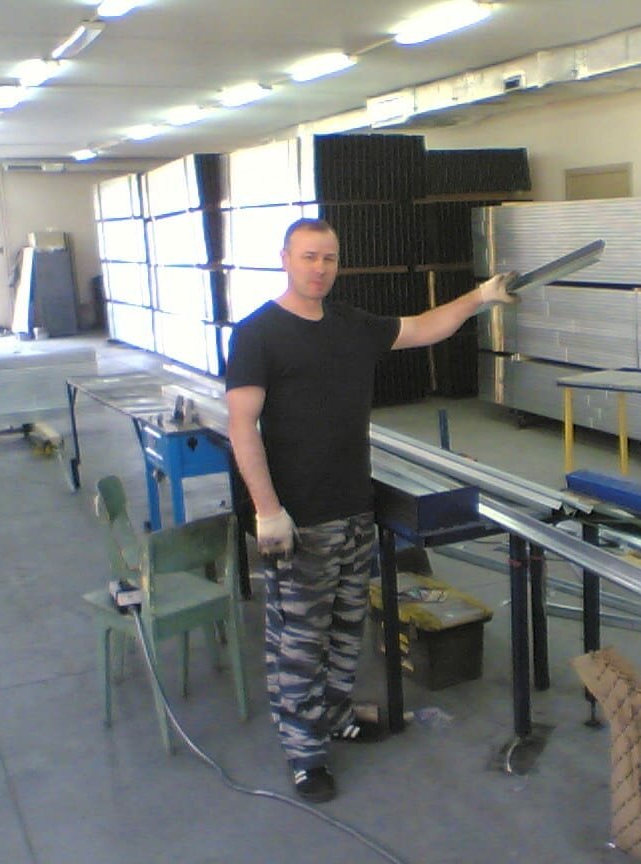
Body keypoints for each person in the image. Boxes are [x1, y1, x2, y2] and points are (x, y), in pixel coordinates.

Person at [225, 217, 516, 803]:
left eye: (329, 258)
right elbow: (241, 426)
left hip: (354, 510)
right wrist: (268, 510)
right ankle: (304, 753)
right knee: (298, 641)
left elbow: (424, 328)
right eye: (308, 256)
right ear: (285, 259)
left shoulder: (351, 325)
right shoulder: (257, 334)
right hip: (299, 519)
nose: (319, 269)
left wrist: (480, 298)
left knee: (345, 628)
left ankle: (336, 717)